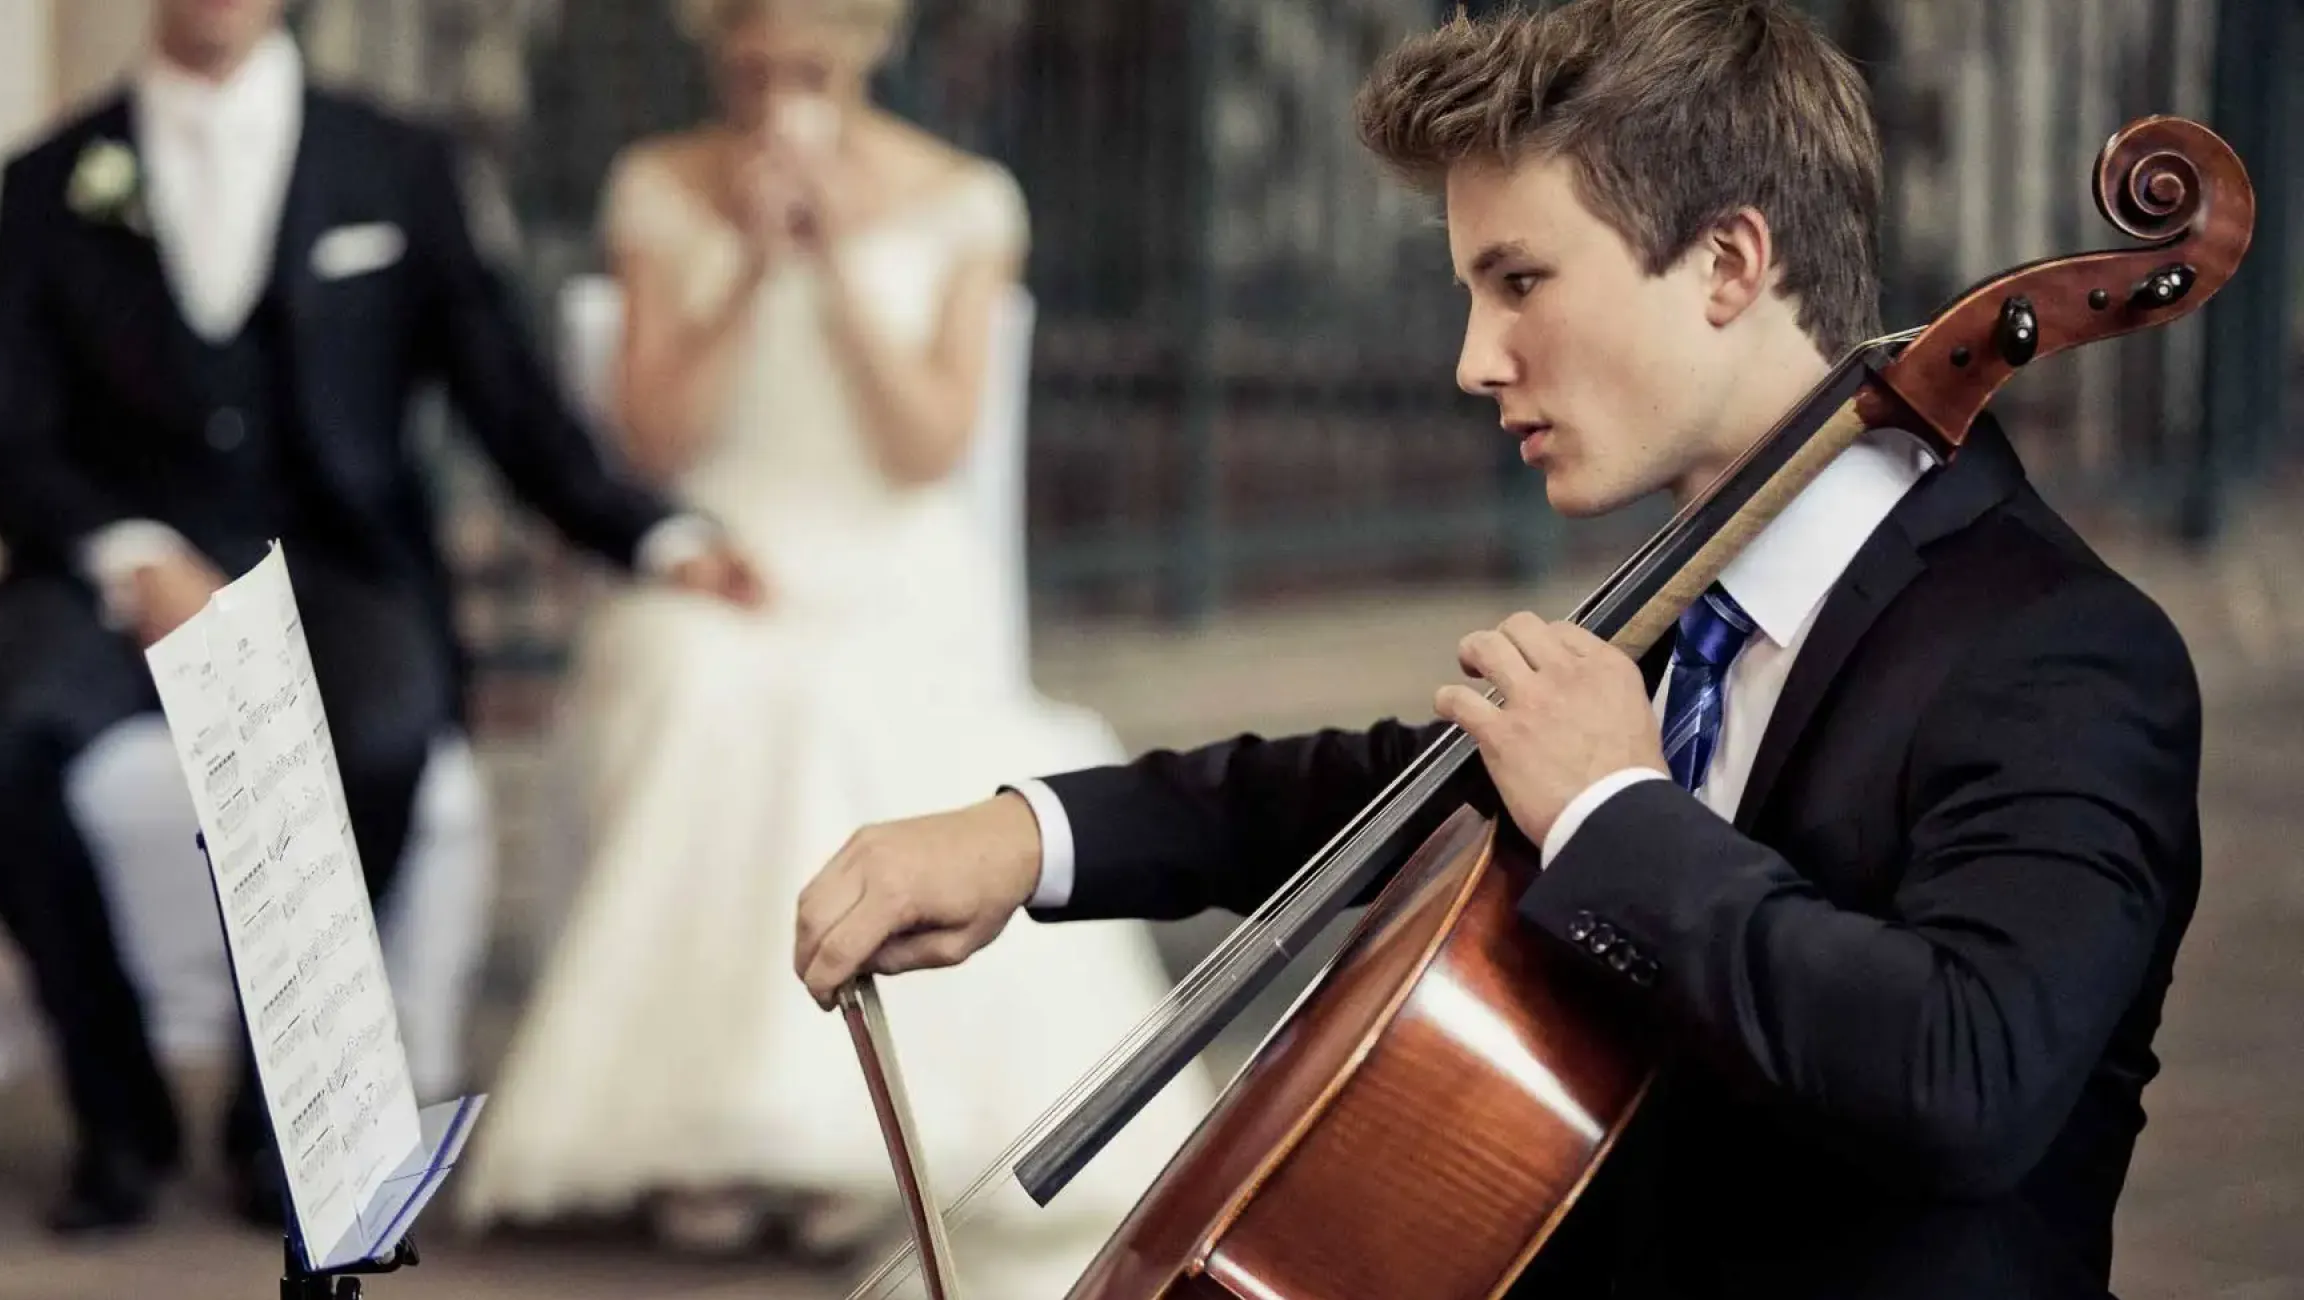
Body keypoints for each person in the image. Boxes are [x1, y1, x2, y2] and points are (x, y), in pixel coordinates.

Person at [791, 1, 2206, 1296]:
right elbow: (1390, 798)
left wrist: (1613, 811)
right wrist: (1027, 838)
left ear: (1727, 261)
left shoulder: (2060, 657)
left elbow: (1966, 1075)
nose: (1474, 358)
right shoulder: (1685, 609)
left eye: (1520, 280)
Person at [0, 0, 762, 1236]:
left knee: (381, 733)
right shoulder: (51, 178)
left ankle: (283, 1118)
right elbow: (12, 457)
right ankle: (117, 1108)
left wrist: (656, 532)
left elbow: (509, 401)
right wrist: (135, 553)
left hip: (336, 568)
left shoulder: (401, 165)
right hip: (114, 580)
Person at [451, 0, 1212, 1279]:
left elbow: (927, 447)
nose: (776, 96)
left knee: (853, 703)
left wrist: (843, 265)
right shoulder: (658, 185)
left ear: (863, 55)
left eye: (805, 69)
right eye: (750, 71)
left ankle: (840, 1135)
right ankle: (708, 1136)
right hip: (726, 554)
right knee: (707, 686)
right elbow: (651, 443)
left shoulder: (968, 199)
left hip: (891, 560)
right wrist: (748, 262)